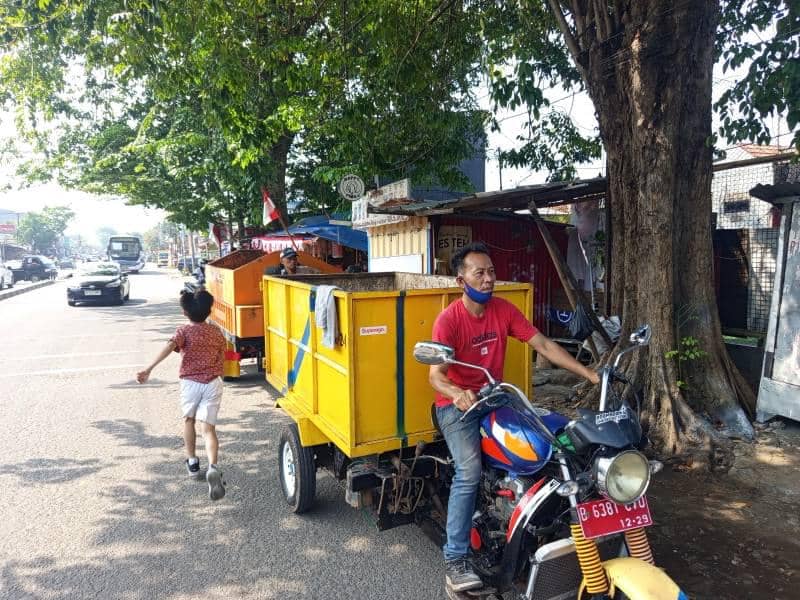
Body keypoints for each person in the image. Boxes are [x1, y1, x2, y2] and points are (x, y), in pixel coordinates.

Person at [428, 242, 600, 593]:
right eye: (480, 272)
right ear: (462, 280)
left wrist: (591, 375)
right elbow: (435, 376)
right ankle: (455, 559)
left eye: (491, 271)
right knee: (469, 470)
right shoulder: (449, 320)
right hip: (456, 407)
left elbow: (544, 345)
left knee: (557, 440)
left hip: (495, 398)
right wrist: (457, 393)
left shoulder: (504, 310)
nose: (489, 278)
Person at [136, 289, 228, 501]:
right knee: (209, 429)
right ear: (209, 311)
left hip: (190, 383)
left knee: (189, 421)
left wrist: (149, 368)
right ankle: (213, 465)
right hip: (212, 383)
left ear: (185, 312)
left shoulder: (183, 332)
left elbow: (170, 346)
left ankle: (193, 462)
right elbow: (222, 352)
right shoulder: (215, 333)